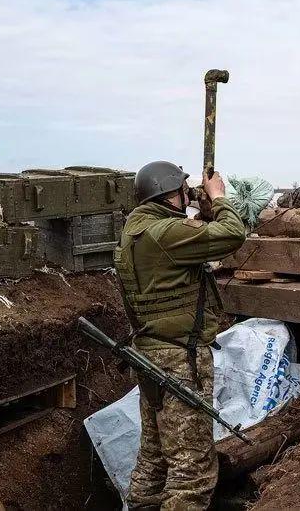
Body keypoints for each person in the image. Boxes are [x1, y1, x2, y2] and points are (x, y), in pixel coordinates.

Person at [114, 160, 246, 510]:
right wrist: (218, 199)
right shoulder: (166, 234)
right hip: (178, 358)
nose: (189, 196)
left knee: (155, 457)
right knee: (193, 471)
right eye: (184, 191)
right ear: (171, 193)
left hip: (150, 354)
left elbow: (188, 241)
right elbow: (233, 234)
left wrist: (200, 213)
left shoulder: (138, 229)